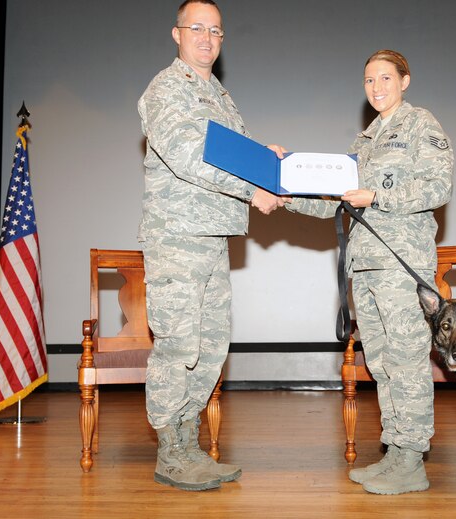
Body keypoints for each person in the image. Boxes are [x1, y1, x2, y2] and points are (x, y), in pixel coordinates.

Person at [285, 49, 454, 495]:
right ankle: (394, 452)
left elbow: (439, 186)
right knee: (381, 363)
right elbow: (335, 199)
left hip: (402, 266)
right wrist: (282, 186)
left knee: (407, 361)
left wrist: (377, 195)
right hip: (367, 267)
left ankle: (413, 460)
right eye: (369, 81)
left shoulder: (420, 124)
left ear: (405, 80)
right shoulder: (365, 142)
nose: (377, 88)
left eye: (385, 78)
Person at [137, 0, 286, 491]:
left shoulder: (220, 96)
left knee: (210, 346)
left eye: (216, 31)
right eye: (197, 28)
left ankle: (189, 443)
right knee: (178, 346)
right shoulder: (166, 90)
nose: (206, 37)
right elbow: (189, 158)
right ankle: (170, 452)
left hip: (214, 237)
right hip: (177, 236)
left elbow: (236, 153)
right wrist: (254, 188)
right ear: (176, 34)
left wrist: (269, 160)